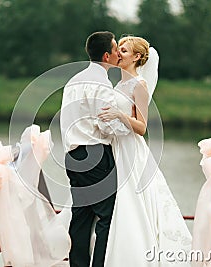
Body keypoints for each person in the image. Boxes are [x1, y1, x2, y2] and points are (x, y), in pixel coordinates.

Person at [98, 36, 192, 266]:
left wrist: (120, 115)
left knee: (131, 201)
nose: (118, 54)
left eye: (124, 50)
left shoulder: (139, 85)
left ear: (137, 57)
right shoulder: (119, 84)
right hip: (117, 148)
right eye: (118, 49)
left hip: (132, 151)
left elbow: (141, 127)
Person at [60, 31, 130, 267]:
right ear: (107, 55)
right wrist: (128, 129)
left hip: (72, 155)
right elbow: (106, 124)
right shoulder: (101, 83)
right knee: (107, 216)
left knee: (80, 218)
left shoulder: (73, 81)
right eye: (115, 49)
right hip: (96, 155)